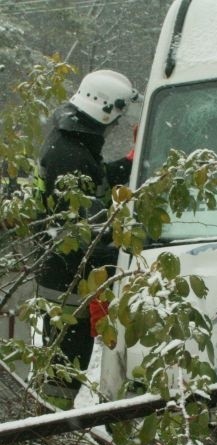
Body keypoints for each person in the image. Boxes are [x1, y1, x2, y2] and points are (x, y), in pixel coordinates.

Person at [36, 70, 142, 390]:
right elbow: (90, 229)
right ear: (104, 109)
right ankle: (51, 429)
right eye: (116, 119)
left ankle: (52, 422)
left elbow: (94, 182)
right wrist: (128, 251)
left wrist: (128, 162)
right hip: (67, 278)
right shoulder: (70, 153)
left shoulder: (72, 141)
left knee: (66, 361)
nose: (116, 127)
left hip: (65, 270)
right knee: (65, 367)